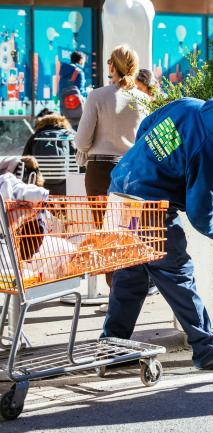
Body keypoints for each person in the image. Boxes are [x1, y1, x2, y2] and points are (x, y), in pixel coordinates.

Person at [103, 97, 213, 370]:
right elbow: (200, 209)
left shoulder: (188, 105)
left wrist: (155, 163)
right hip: (150, 208)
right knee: (177, 275)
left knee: (129, 275)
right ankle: (206, 349)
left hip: (121, 190)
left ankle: (112, 346)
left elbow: (146, 126)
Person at [74, 45, 148, 300]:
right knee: (128, 232)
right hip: (132, 171)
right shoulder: (143, 99)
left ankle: (115, 293)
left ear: (112, 67)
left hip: (100, 170)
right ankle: (128, 291)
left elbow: (82, 141)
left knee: (105, 234)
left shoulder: (97, 96)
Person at [23, 108, 76, 195]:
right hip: (65, 185)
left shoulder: (35, 137)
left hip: (40, 186)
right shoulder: (68, 135)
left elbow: (25, 160)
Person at [58, 51, 87, 128]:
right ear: (80, 60)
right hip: (75, 109)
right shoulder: (78, 72)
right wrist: (87, 92)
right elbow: (80, 92)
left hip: (63, 107)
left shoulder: (63, 72)